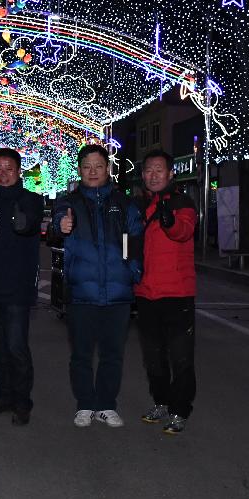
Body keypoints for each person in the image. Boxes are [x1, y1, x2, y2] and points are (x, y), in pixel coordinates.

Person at [50, 144, 143, 428]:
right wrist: (60, 225)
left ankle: (106, 404)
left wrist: (132, 270)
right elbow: (58, 223)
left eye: (98, 166)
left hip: (117, 293)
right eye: (87, 166)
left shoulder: (124, 203)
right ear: (80, 170)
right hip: (82, 293)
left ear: (108, 169)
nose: (93, 171)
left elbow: (134, 240)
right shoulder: (70, 202)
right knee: (81, 353)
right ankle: (85, 404)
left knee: (112, 354)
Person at [0, 148, 44, 426]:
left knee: (16, 347)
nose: (3, 174)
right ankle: (3, 396)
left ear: (18, 172)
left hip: (16, 288)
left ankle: (22, 401)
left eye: (9, 169)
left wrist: (24, 222)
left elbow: (29, 223)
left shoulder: (29, 200)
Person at [135, 148, 197, 435]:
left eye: (159, 169)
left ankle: (179, 410)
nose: (154, 174)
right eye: (149, 170)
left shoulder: (183, 203)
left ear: (171, 173)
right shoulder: (139, 205)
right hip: (146, 293)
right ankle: (160, 401)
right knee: (153, 357)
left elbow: (183, 230)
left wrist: (170, 221)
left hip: (177, 294)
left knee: (181, 357)